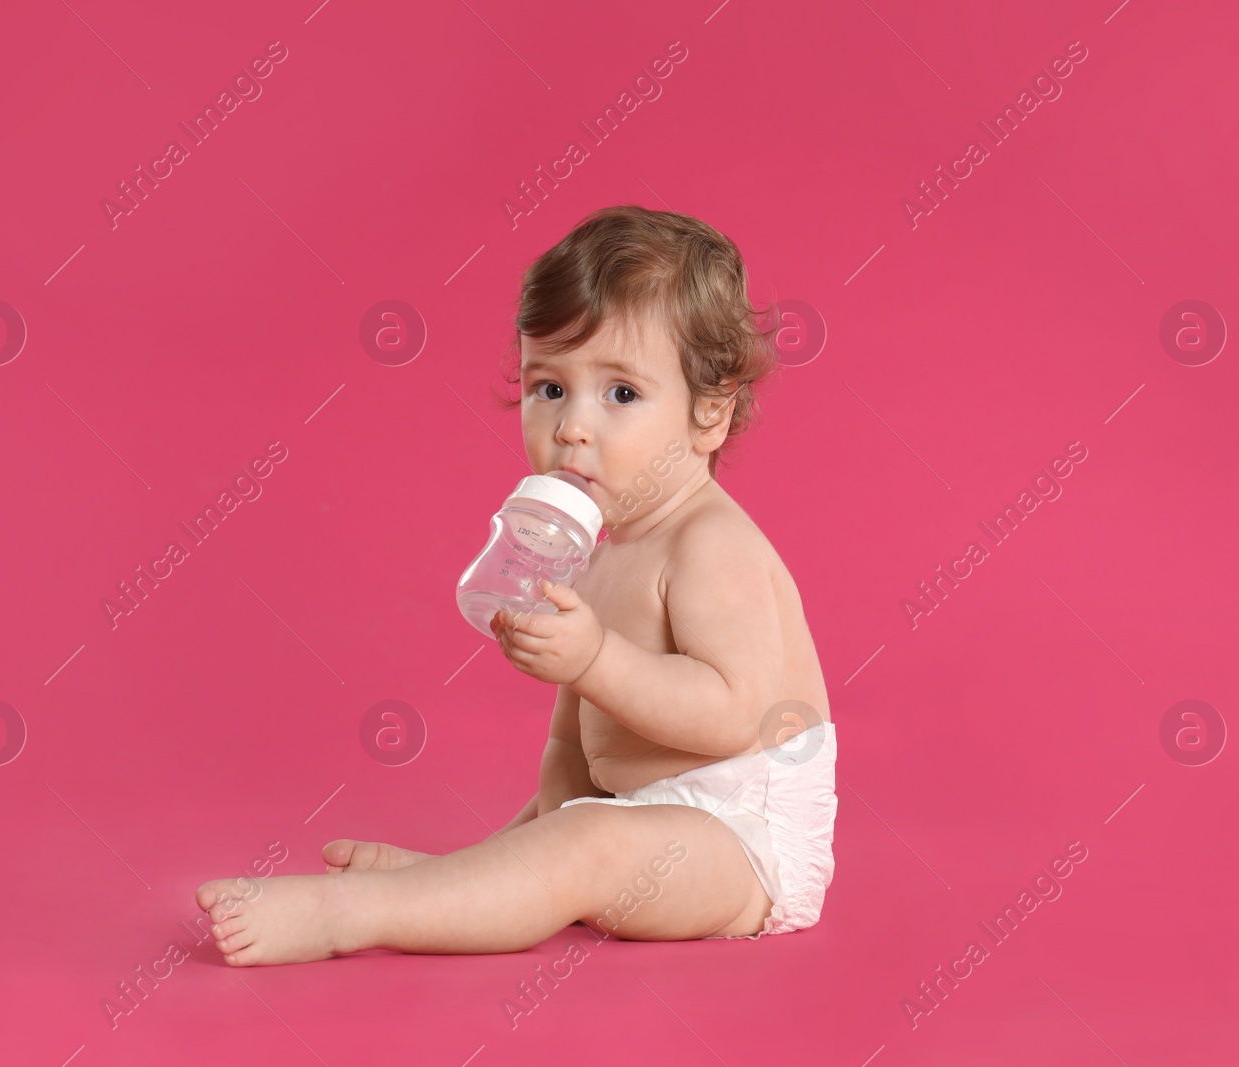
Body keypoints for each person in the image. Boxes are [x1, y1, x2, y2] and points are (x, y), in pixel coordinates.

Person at [195, 205, 838, 964]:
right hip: (640, 816)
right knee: (566, 830)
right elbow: (574, 739)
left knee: (584, 843)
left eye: (621, 394)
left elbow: (738, 714)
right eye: (550, 388)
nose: (571, 426)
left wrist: (595, 659)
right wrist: (536, 818)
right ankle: (454, 888)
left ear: (710, 412)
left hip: (743, 839)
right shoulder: (595, 555)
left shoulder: (711, 545)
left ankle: (355, 912)